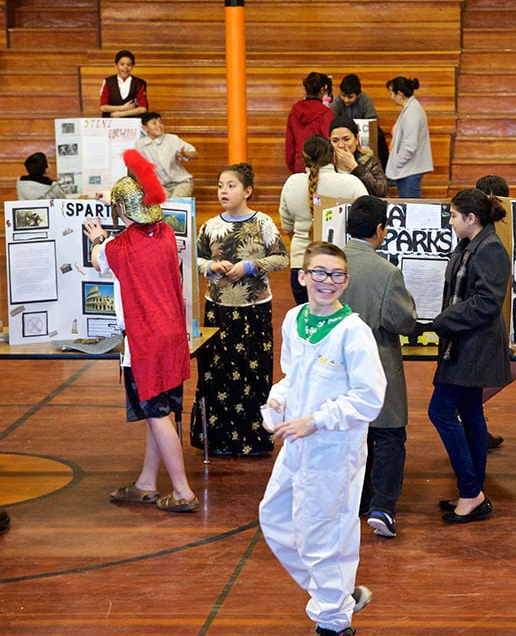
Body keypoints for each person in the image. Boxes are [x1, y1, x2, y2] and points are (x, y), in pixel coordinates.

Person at [258, 241, 385, 636]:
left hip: (333, 448)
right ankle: (338, 596)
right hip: (297, 442)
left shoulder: (354, 332)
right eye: (319, 272)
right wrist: (277, 402)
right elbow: (292, 375)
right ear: (302, 276)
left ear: (345, 282)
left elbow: (369, 398)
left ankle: (333, 622)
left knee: (323, 534)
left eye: (335, 275)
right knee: (275, 517)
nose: (326, 281)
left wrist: (316, 420)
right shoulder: (294, 319)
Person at [81, 149, 198, 513]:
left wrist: (97, 236)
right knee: (160, 410)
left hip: (145, 340)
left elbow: (100, 256)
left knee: (155, 411)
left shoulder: (118, 247)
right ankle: (147, 483)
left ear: (122, 211)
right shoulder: (164, 234)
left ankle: (182, 491)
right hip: (173, 335)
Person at [190, 163, 289, 456]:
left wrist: (250, 266)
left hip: (254, 310)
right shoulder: (209, 227)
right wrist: (209, 266)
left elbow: (282, 259)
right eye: (221, 185)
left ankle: (254, 440)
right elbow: (193, 260)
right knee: (216, 372)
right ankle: (217, 439)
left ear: (247, 191)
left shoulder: (263, 224)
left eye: (231, 185)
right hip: (217, 309)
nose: (224, 191)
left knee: (252, 372)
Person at [429, 189, 513, 524]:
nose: (450, 222)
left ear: (470, 218)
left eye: (452, 216)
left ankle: (471, 491)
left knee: (441, 412)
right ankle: (472, 492)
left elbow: (487, 302)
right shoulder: (469, 245)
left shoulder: (490, 249)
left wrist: (443, 320)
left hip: (473, 346)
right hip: (464, 343)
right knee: (470, 412)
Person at [341, 195, 418, 537]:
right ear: (380, 229)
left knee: (349, 434)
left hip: (337, 366)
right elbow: (403, 321)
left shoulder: (331, 265)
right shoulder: (387, 272)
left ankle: (354, 500)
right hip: (378, 362)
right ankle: (382, 507)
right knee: (388, 434)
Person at [280, 135, 369, 304]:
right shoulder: (351, 183)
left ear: (303, 158)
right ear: (333, 157)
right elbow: (366, 220)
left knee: (308, 323)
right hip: (339, 266)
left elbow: (287, 226)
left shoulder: (291, 183)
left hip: (302, 264)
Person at [474, 174, 516, 450]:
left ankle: (472, 419)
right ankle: (468, 415)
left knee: (507, 371)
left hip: (499, 316)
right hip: (485, 317)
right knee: (506, 371)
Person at [384, 76, 433, 198]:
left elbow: (409, 145)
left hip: (409, 170)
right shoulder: (412, 108)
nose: (391, 97)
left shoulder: (412, 112)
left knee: (412, 209)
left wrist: (396, 163)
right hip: (408, 169)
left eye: (391, 93)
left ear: (399, 94)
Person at [332, 73, 389, 170]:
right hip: (343, 131)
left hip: (362, 130)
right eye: (343, 96)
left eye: (350, 97)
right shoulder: (337, 101)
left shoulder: (364, 99)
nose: (346, 100)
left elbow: (373, 118)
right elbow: (332, 118)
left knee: (380, 135)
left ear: (358, 95)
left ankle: (386, 168)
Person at [134, 112, 198, 198]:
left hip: (181, 182)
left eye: (160, 122)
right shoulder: (140, 145)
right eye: (154, 123)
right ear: (145, 128)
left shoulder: (172, 139)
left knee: (176, 205)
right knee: (164, 207)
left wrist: (185, 153)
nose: (159, 125)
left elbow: (195, 154)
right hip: (159, 186)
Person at [285, 72, 335, 174]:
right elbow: (330, 143)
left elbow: (289, 144)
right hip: (321, 167)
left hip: (299, 165)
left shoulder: (294, 110)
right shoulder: (326, 113)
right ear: (323, 89)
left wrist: (293, 166)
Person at [329, 115, 387, 197]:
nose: (341, 145)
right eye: (335, 141)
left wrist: (355, 168)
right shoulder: (326, 163)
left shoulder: (369, 160)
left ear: (357, 139)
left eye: (346, 139)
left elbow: (381, 191)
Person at [99, 50, 147, 118]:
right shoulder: (108, 82)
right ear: (115, 65)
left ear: (133, 66)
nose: (125, 67)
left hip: (131, 123)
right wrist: (122, 108)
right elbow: (103, 107)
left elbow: (143, 108)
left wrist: (121, 114)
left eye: (129, 65)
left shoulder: (139, 83)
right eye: (122, 64)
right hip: (110, 122)